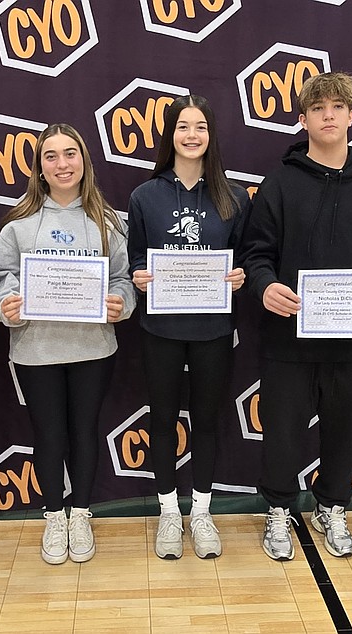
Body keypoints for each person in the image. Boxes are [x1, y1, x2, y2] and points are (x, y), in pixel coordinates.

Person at [240, 72, 352, 561]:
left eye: (338, 107)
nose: (329, 115)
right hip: (288, 341)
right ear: (303, 119)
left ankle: (332, 506)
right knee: (282, 432)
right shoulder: (278, 185)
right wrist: (264, 285)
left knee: (346, 432)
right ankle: (279, 509)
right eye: (318, 108)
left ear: (351, 117)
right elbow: (256, 254)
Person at [0, 123, 134, 565]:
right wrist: (5, 306)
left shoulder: (109, 222)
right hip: (37, 349)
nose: (61, 164)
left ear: (84, 161)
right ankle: (54, 514)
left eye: (69, 154)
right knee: (49, 434)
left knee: (84, 431)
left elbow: (123, 280)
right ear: (39, 168)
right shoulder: (18, 225)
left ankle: (80, 512)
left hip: (93, 347)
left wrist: (121, 304)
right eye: (50, 156)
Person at [127, 95, 251, 560]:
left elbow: (246, 257)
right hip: (160, 326)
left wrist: (239, 275)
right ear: (170, 135)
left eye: (201, 126)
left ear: (211, 135)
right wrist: (140, 273)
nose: (192, 135)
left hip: (213, 329)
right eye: (183, 127)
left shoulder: (233, 196)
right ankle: (168, 512)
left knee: (206, 420)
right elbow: (135, 256)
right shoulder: (145, 195)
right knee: (162, 419)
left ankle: (200, 511)